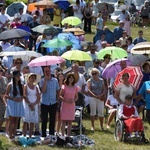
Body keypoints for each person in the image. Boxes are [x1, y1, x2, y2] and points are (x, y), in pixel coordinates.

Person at [40, 66, 59, 137]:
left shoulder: (55, 80)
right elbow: (43, 91)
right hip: (44, 103)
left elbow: (58, 90)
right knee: (44, 120)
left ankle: (51, 134)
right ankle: (44, 134)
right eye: (45, 71)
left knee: (52, 119)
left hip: (53, 102)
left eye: (48, 71)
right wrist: (45, 81)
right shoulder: (42, 80)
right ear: (44, 73)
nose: (47, 73)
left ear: (50, 71)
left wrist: (57, 99)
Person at [5, 70, 24, 141]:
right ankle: (10, 135)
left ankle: (13, 134)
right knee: (11, 120)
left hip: (19, 103)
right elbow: (6, 95)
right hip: (12, 103)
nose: (18, 77)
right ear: (14, 76)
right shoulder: (10, 84)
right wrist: (13, 98)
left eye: (19, 75)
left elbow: (23, 95)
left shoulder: (21, 85)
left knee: (16, 120)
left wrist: (21, 98)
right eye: (17, 75)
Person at [23, 73, 41, 138]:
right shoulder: (25, 86)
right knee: (25, 121)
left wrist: (34, 104)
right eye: (32, 77)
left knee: (32, 121)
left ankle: (30, 136)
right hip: (27, 104)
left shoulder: (36, 87)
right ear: (29, 78)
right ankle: (24, 135)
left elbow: (38, 97)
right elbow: (24, 96)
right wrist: (30, 104)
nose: (33, 79)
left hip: (34, 104)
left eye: (34, 77)